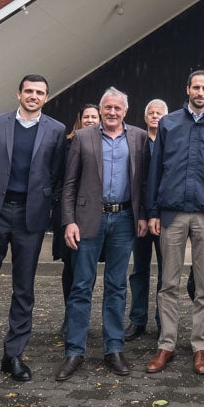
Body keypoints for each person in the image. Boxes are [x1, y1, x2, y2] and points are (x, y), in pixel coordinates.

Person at [0, 75, 68, 387]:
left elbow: (58, 174)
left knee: (24, 289)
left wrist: (45, 203)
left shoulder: (56, 129)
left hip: (30, 216)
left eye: (40, 92)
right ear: (19, 93)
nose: (33, 96)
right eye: (29, 91)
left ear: (46, 97)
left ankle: (13, 354)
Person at [144, 70, 204, 375]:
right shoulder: (169, 122)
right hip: (172, 213)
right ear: (187, 89)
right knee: (168, 283)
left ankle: (200, 347)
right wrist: (153, 211)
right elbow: (155, 169)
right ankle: (166, 345)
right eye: (195, 86)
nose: (200, 91)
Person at [56, 88, 150, 380]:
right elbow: (69, 184)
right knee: (81, 286)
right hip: (87, 220)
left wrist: (144, 216)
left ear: (125, 111)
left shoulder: (138, 138)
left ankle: (113, 349)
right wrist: (69, 221)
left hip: (124, 219)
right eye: (107, 107)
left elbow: (144, 182)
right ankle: (74, 351)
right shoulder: (83, 137)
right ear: (101, 109)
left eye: (117, 108)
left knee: (117, 286)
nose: (112, 112)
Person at [53, 103, 101, 337]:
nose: (91, 120)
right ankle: (69, 315)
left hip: (92, 215)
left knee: (86, 269)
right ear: (79, 120)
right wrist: (63, 212)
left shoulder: (104, 145)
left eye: (95, 116)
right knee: (70, 266)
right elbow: (60, 179)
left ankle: (80, 315)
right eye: (87, 116)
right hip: (69, 213)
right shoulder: (68, 143)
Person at [126, 99, 167, 339]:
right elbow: (136, 183)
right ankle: (137, 319)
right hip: (139, 218)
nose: (154, 116)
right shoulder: (136, 142)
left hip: (165, 218)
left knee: (167, 273)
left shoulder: (171, 142)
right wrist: (142, 214)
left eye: (159, 113)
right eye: (150, 113)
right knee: (139, 270)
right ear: (144, 117)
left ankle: (163, 321)